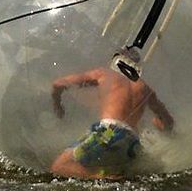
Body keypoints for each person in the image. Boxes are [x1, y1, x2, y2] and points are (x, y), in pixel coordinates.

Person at [49, 49, 175, 180]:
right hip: (131, 143)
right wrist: (159, 124)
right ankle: (108, 177)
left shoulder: (104, 74)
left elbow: (58, 83)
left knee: (59, 166)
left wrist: (57, 104)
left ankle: (101, 177)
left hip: (109, 132)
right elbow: (168, 122)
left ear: (116, 60)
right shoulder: (145, 88)